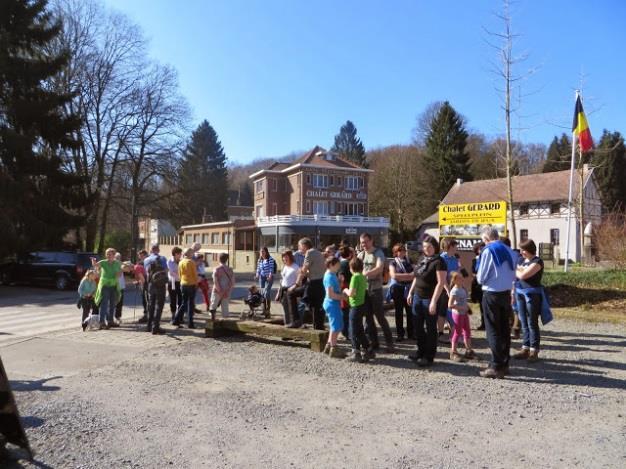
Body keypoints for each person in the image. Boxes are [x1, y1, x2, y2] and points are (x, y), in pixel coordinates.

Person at [476, 226, 516, 379]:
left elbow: (481, 277)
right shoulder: (509, 250)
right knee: (504, 329)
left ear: (486, 239)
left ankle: (495, 365)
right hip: (505, 292)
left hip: (492, 293)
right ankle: (504, 363)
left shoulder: (488, 251)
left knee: (492, 329)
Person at [407, 235, 447, 367]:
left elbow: (440, 283)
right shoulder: (422, 258)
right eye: (424, 247)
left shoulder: (439, 262)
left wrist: (434, 301)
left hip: (429, 298)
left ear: (435, 247)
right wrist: (411, 292)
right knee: (417, 326)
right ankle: (420, 351)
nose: (426, 249)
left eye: (429, 247)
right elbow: (416, 277)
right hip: (417, 297)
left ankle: (429, 356)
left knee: (430, 328)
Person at [357, 233, 394, 352]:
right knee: (368, 318)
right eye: (362, 242)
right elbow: (355, 268)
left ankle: (390, 343)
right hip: (364, 290)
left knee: (380, 317)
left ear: (371, 240)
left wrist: (365, 274)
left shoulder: (378, 253)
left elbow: (379, 268)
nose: (364, 245)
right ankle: (374, 343)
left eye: (366, 242)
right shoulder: (361, 255)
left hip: (376, 290)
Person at [513, 239, 544, 362]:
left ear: (529, 249)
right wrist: (518, 270)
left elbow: (522, 276)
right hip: (519, 293)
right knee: (523, 322)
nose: (521, 252)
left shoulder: (537, 261)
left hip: (532, 295)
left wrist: (518, 271)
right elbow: (515, 272)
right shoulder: (521, 260)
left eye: (523, 250)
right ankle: (525, 348)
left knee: (532, 322)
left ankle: (534, 351)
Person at [343, 257, 374, 363]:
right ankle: (368, 349)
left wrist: (345, 290)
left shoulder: (354, 277)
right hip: (361, 305)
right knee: (360, 329)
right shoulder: (362, 276)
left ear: (351, 267)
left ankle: (356, 352)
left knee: (353, 330)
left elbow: (352, 293)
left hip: (355, 306)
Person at [295, 238, 326, 330]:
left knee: (295, 296)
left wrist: (296, 283)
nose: (299, 249)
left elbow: (304, 270)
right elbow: (317, 270)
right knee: (317, 308)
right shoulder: (318, 253)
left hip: (314, 284)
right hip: (321, 283)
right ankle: (319, 328)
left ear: (304, 246)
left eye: (299, 247)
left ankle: (295, 322)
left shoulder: (309, 253)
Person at [389, 243, 414, 342]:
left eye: (404, 250)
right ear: (396, 252)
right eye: (400, 250)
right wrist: (408, 275)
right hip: (398, 289)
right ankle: (400, 334)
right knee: (399, 312)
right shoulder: (393, 263)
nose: (403, 252)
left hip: (409, 288)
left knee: (410, 312)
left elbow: (415, 274)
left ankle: (411, 333)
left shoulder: (409, 261)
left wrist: (403, 276)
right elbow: (393, 275)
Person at [92, 248, 122, 329]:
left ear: (114, 255)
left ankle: (110, 321)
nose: (108, 255)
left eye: (110, 254)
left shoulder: (117, 263)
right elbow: (95, 265)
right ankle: (102, 322)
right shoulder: (103, 262)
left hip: (114, 285)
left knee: (113, 304)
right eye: (107, 254)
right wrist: (94, 262)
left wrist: (119, 273)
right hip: (105, 285)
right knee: (104, 304)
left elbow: (120, 273)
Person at [448, 271, 475, 361]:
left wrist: (467, 308)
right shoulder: (454, 291)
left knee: (467, 331)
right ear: (455, 280)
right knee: (457, 332)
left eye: (462, 278)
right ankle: (453, 352)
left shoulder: (463, 288)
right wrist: (461, 308)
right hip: (457, 314)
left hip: (464, 313)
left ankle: (469, 350)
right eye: (459, 278)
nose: (462, 279)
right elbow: (450, 305)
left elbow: (464, 301)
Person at [322, 257, 346, 358]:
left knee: (335, 325)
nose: (339, 267)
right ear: (331, 265)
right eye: (337, 265)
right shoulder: (329, 277)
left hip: (333, 303)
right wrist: (343, 297)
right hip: (332, 303)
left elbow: (335, 289)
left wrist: (340, 282)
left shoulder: (332, 275)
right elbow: (331, 294)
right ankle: (333, 347)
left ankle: (328, 346)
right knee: (335, 327)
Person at [145, 247, 168, 335]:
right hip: (160, 285)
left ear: (151, 251)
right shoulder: (162, 258)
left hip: (151, 284)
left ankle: (149, 325)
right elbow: (166, 271)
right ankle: (156, 327)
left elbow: (147, 272)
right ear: (158, 250)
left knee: (151, 305)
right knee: (159, 306)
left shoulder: (146, 260)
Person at [174, 247, 198, 329]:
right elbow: (195, 274)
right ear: (190, 254)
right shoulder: (191, 262)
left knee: (184, 303)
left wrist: (182, 281)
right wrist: (196, 283)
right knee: (191, 304)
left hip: (183, 284)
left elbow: (179, 274)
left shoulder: (181, 262)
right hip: (191, 284)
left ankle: (176, 319)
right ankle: (190, 323)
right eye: (192, 253)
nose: (193, 254)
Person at [276, 250, 301, 327]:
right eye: (283, 257)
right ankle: (287, 328)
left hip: (292, 291)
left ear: (290, 257)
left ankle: (295, 329)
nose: (284, 258)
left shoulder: (296, 267)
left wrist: (297, 293)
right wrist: (278, 293)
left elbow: (299, 281)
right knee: (285, 311)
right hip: (283, 290)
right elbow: (282, 280)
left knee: (292, 311)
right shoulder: (284, 267)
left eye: (286, 256)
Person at [210, 253, 234, 320]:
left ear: (219, 259)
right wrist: (227, 290)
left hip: (217, 291)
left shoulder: (216, 269)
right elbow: (232, 282)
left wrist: (220, 290)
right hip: (226, 291)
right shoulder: (230, 270)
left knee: (213, 305)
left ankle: (212, 318)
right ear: (226, 260)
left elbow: (215, 281)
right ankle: (225, 321)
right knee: (225, 307)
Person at [255, 247, 276, 318]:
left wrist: (270, 276)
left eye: (263, 252)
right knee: (262, 294)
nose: (261, 253)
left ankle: (268, 310)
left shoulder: (270, 259)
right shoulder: (259, 260)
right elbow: (258, 269)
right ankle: (264, 310)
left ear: (266, 252)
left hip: (269, 278)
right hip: (262, 278)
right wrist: (257, 274)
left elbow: (271, 269)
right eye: (260, 252)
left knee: (266, 293)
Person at [338, 245, 353, 340]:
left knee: (344, 311)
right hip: (348, 287)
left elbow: (340, 278)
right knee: (347, 312)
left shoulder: (340, 264)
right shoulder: (349, 264)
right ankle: (347, 332)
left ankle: (345, 332)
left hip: (343, 288)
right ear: (350, 254)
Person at [470, 242, 486, 330]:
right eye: (480, 248)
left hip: (486, 284)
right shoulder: (474, 260)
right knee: (481, 305)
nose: (482, 250)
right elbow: (473, 272)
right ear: (476, 250)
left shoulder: (487, 259)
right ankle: (483, 323)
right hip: (478, 285)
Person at [167, 247, 183, 321]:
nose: (180, 255)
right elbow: (172, 272)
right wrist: (180, 275)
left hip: (180, 282)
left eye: (180, 253)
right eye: (179, 253)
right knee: (173, 299)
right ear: (175, 254)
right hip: (173, 282)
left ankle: (179, 316)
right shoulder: (170, 261)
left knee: (180, 298)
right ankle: (173, 315)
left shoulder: (181, 261)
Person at [134, 250, 149, 322]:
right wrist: (137, 281)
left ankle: (148, 315)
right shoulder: (140, 263)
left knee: (147, 300)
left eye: (142, 255)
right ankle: (146, 314)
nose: (140, 257)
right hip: (143, 283)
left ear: (145, 255)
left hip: (147, 283)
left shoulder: (148, 262)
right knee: (144, 300)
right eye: (140, 256)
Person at [113, 252, 126, 326]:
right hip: (114, 286)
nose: (118, 259)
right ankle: (111, 318)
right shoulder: (113, 265)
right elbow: (117, 275)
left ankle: (118, 317)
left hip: (121, 286)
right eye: (117, 257)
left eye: (119, 257)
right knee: (113, 302)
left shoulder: (121, 265)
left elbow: (129, 267)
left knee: (120, 303)